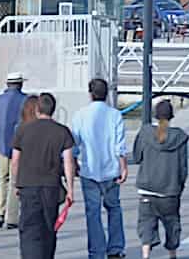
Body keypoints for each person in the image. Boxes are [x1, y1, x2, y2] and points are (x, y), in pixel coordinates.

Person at [11, 92, 76, 259]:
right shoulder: (62, 131)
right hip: (50, 187)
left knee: (29, 229)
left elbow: (15, 161)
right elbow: (69, 162)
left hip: (28, 184)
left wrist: (16, 184)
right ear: (52, 110)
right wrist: (70, 189)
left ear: (37, 109)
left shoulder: (22, 130)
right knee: (49, 227)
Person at [71, 78, 128, 259]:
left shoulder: (79, 115)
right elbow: (120, 146)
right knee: (114, 208)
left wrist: (73, 164)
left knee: (92, 213)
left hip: (89, 170)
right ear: (107, 94)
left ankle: (96, 251)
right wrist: (123, 167)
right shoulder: (115, 115)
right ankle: (115, 248)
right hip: (111, 169)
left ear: (90, 94)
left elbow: (74, 145)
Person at [132, 100, 188, 259]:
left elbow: (136, 157)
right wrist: (179, 187)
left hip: (147, 189)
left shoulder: (145, 133)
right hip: (170, 191)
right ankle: (172, 254)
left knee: (146, 222)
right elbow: (183, 168)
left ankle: (145, 255)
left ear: (155, 115)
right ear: (171, 116)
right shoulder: (180, 137)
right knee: (172, 223)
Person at [0, 71, 28, 231]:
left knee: (2, 180)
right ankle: (12, 218)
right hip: (20, 149)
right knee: (16, 181)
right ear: (21, 84)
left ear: (7, 84)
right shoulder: (26, 101)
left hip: (1, 146)